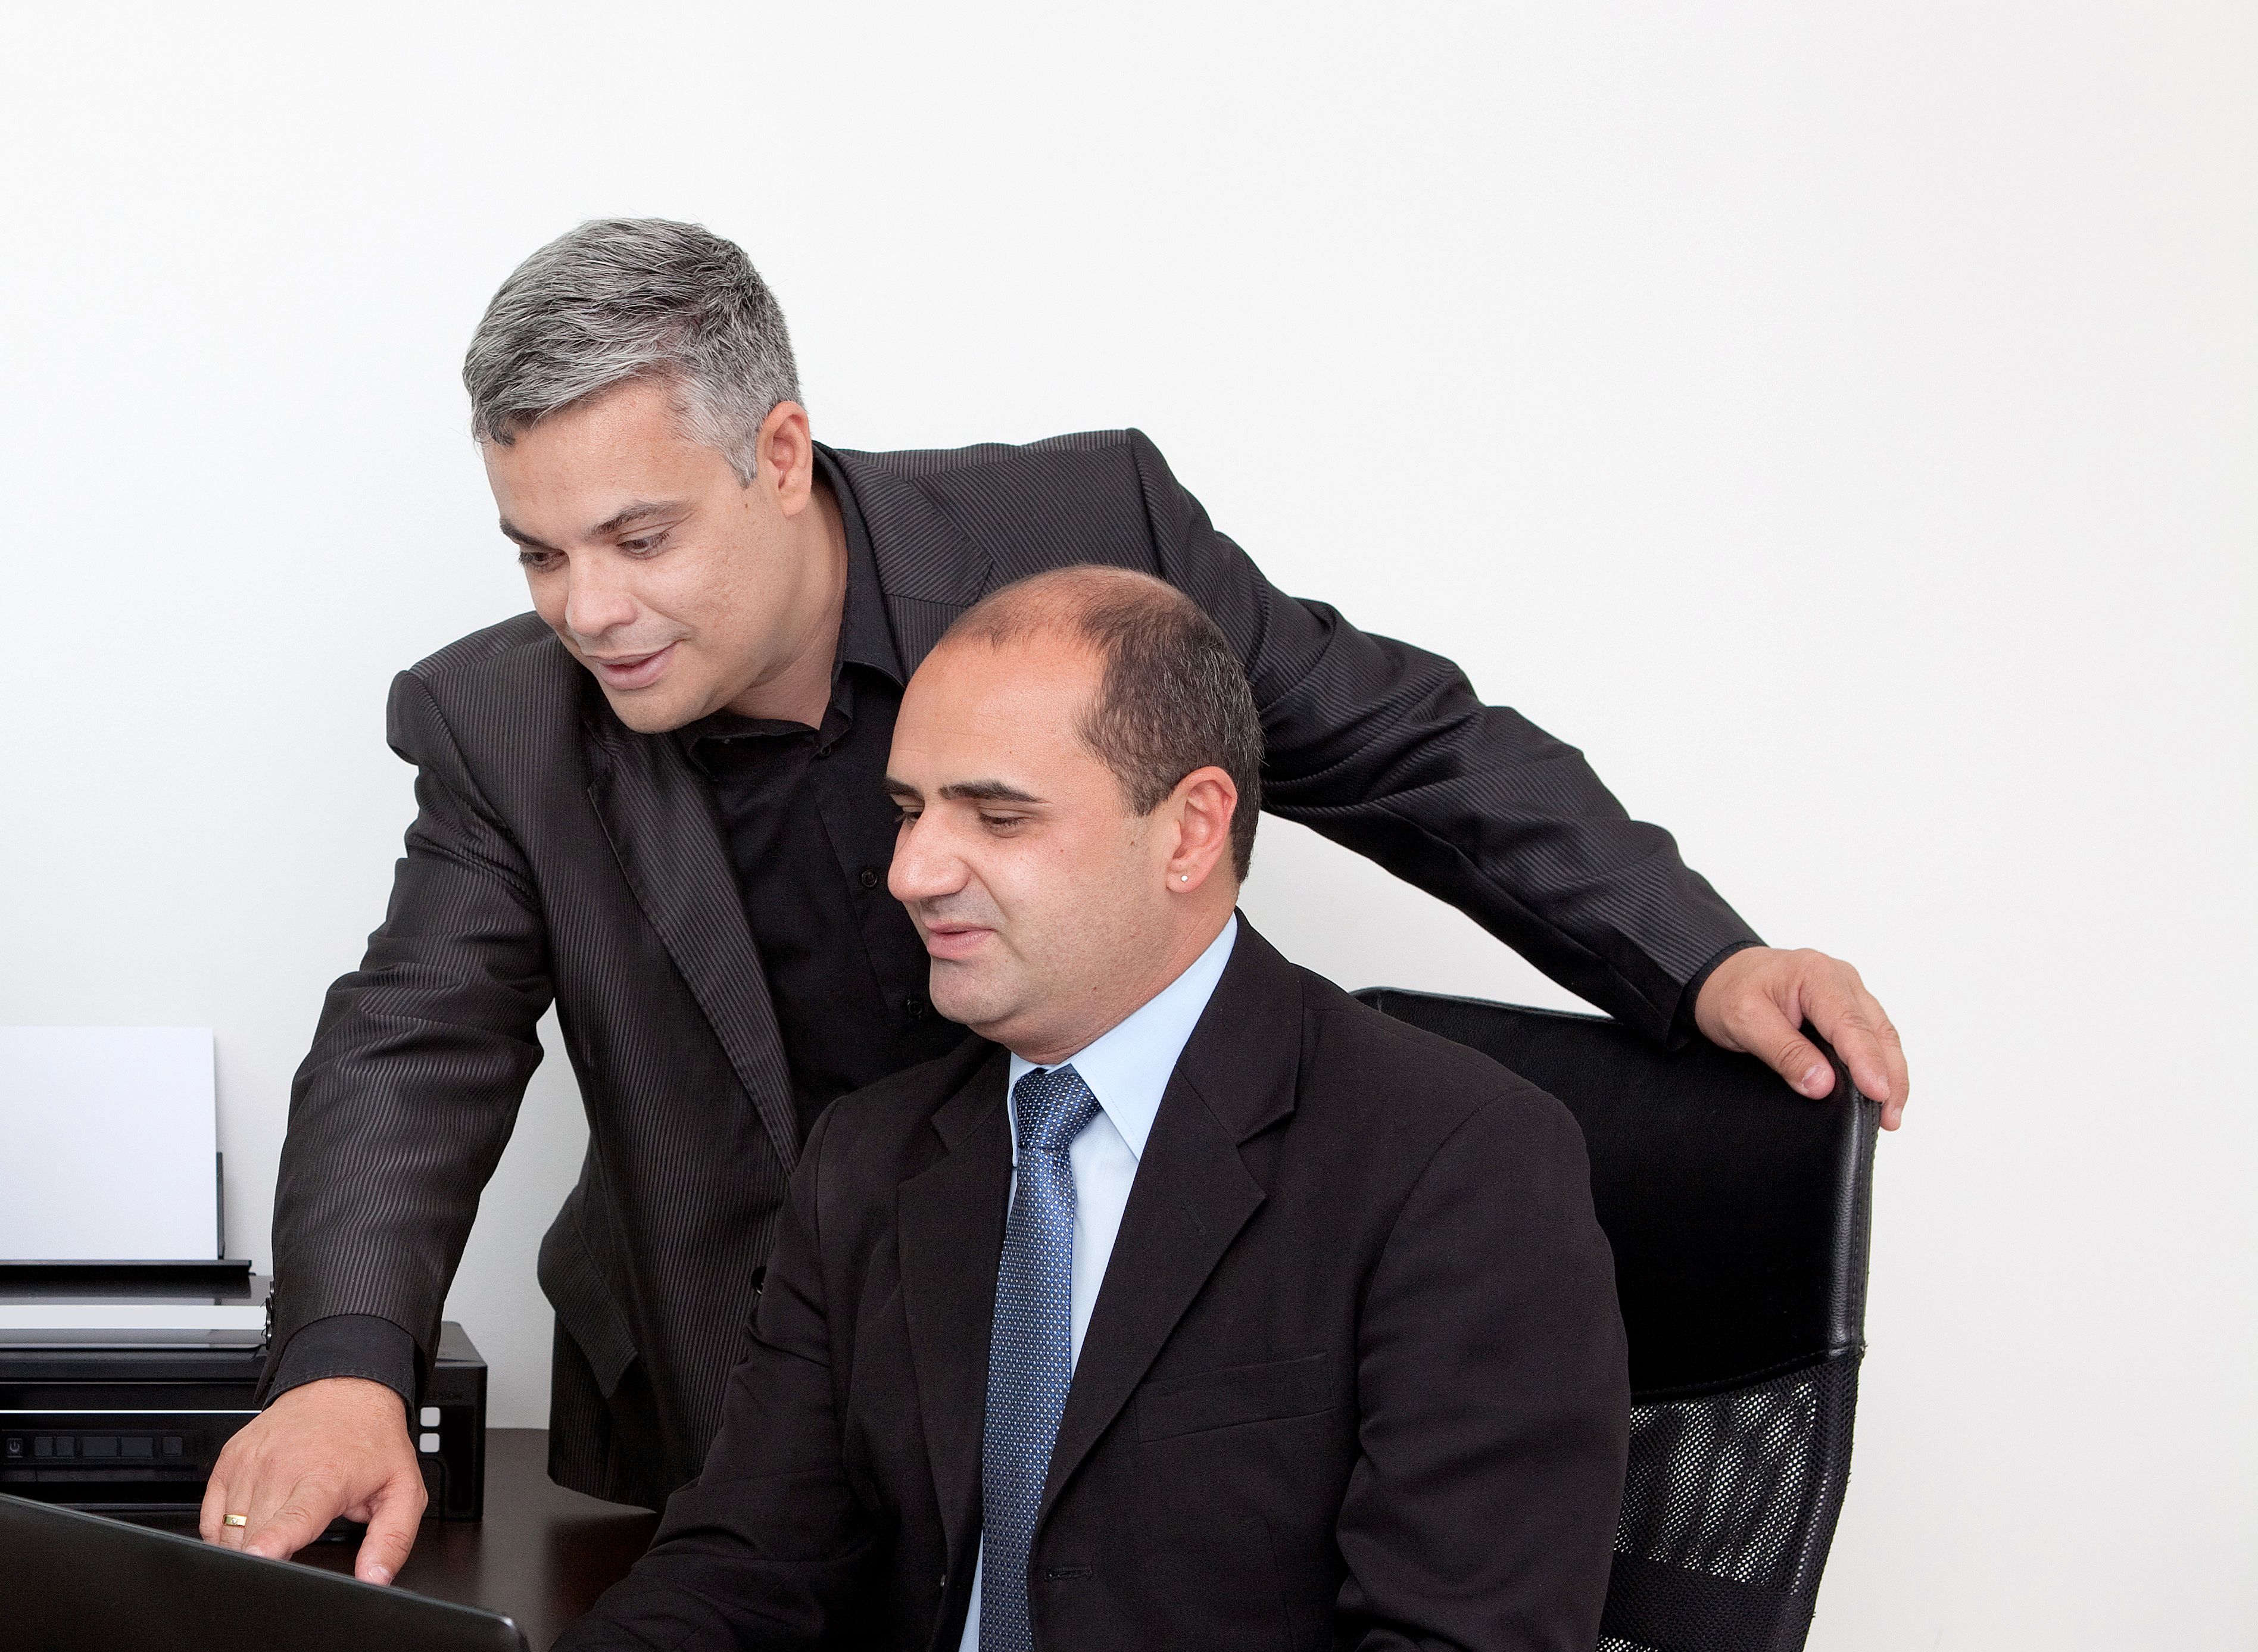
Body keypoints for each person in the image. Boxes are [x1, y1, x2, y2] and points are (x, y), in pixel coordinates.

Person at [207, 217, 1902, 1576]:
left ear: (779, 453)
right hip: (740, 1400)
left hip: (1116, 1363)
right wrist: (349, 1361)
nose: (588, 608)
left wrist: (1701, 961)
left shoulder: (1086, 536)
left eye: (639, 538)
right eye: (538, 551)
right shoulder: (505, 723)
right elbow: (411, 1044)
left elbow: (1395, 742)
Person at [531, 566, 1629, 1652]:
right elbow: (758, 1552)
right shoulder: (876, 1158)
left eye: (996, 816)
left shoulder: (1457, 1160)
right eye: (911, 811)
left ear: (1189, 831)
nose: (917, 871)